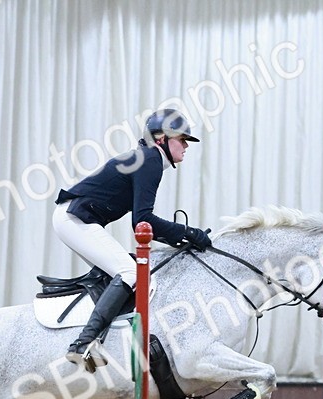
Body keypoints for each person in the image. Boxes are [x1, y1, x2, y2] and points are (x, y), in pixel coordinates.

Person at [53, 108, 211, 371]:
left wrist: (180, 237)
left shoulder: (148, 158)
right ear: (161, 137)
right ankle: (83, 343)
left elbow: (142, 222)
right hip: (74, 219)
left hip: (74, 218)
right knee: (131, 271)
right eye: (182, 139)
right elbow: (142, 221)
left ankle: (98, 340)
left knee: (122, 271)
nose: (186, 145)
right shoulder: (150, 159)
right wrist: (187, 233)